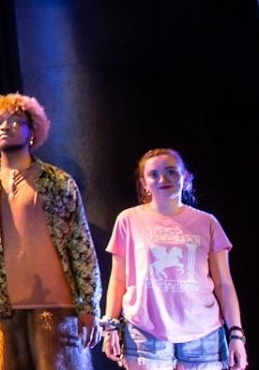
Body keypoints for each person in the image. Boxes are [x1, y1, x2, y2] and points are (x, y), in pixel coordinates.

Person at [0, 93, 100, 370]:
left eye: (15, 120)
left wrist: (89, 306)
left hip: (58, 308)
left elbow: (81, 246)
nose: (5, 126)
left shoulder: (59, 182)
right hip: (0, 309)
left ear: (32, 130)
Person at [100, 149, 247, 370]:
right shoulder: (128, 220)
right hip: (145, 333)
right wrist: (110, 327)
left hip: (202, 336)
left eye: (171, 172)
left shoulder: (207, 223)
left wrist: (236, 334)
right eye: (154, 174)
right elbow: (118, 279)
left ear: (185, 177)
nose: (163, 179)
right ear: (144, 183)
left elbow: (223, 283)